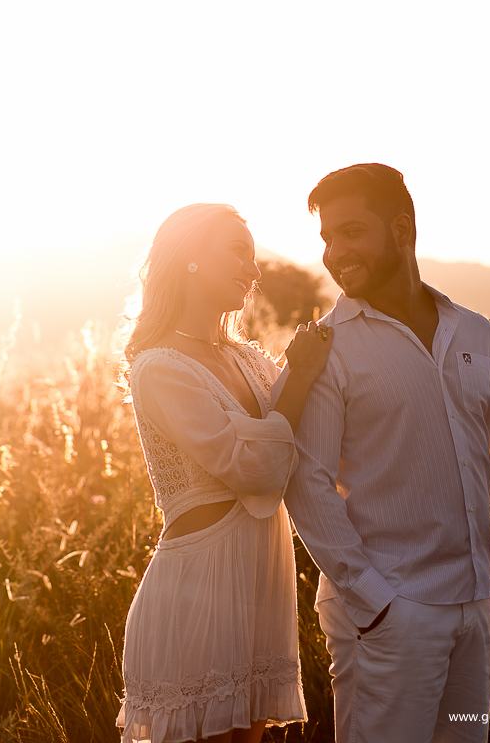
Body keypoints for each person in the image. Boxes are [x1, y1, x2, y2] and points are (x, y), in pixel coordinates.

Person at [281, 164, 490, 743]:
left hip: (476, 604)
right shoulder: (327, 349)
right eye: (327, 238)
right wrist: (376, 601)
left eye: (352, 232)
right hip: (387, 615)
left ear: (402, 228)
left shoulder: (477, 333)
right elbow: (306, 484)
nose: (335, 253)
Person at [116, 203, 332, 743]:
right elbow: (256, 471)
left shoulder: (250, 360)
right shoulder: (160, 368)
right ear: (190, 258)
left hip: (259, 591)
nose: (253, 270)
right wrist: (300, 374)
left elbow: (304, 438)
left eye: (253, 257)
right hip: (197, 595)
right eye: (238, 252)